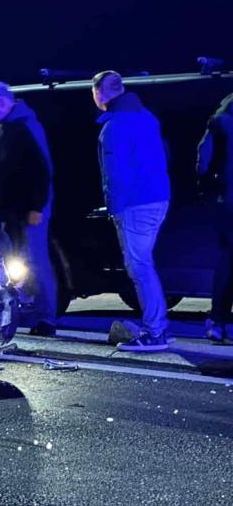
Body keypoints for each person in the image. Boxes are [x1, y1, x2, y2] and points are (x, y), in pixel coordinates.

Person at [92, 70, 171, 351]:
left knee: (139, 266)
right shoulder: (147, 116)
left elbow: (116, 175)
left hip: (135, 204)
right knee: (144, 263)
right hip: (158, 197)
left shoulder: (114, 128)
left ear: (100, 93)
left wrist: (114, 208)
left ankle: (155, 331)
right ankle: (158, 326)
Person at [0, 81, 58, 336]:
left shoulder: (25, 126)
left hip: (29, 210)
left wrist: (36, 206)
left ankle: (47, 319)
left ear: (2, 102)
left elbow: (42, 169)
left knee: (37, 261)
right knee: (12, 261)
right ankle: (18, 314)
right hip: (10, 208)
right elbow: (7, 163)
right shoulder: (3, 126)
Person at [197, 92, 233, 342]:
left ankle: (218, 320)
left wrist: (208, 189)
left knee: (227, 259)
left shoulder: (221, 119)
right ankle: (218, 320)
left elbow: (204, 158)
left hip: (227, 199)